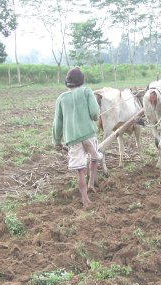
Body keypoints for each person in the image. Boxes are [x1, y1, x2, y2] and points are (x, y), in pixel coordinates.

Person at [52, 67, 102, 208]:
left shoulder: (61, 98)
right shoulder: (87, 91)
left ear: (67, 83)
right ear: (82, 81)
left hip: (72, 139)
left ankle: (85, 200)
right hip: (89, 134)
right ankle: (91, 184)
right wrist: (95, 117)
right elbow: (94, 113)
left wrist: (56, 140)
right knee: (94, 158)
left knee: (80, 170)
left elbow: (58, 123)